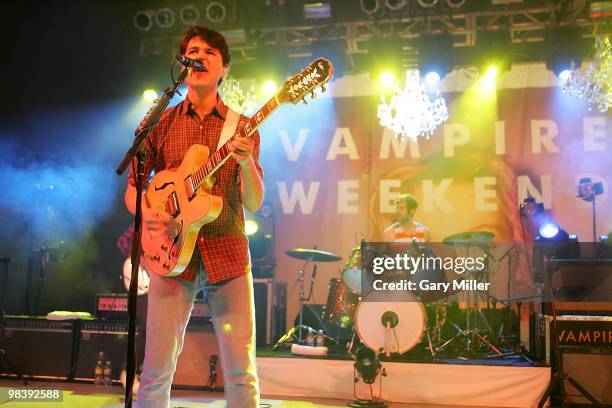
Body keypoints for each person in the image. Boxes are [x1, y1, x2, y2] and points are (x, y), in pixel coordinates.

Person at [124, 26, 264, 408]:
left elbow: (252, 200)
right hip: (171, 259)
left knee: (241, 374)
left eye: (209, 53)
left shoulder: (242, 126)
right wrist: (152, 216)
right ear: (183, 65)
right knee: (155, 372)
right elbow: (133, 188)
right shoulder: (162, 122)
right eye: (192, 51)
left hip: (228, 256)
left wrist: (247, 162)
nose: (198, 56)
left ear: (224, 69)